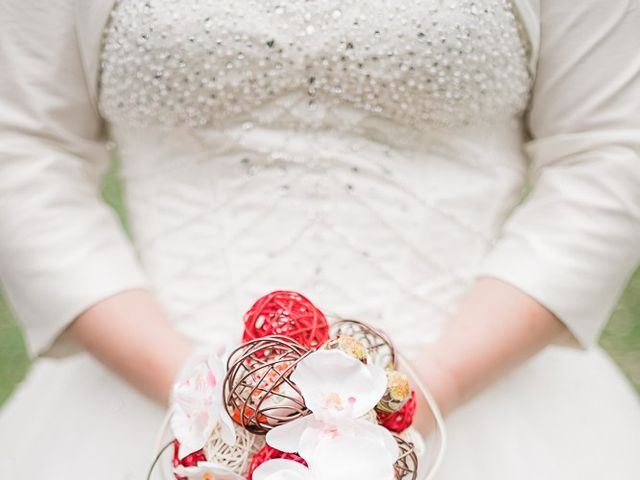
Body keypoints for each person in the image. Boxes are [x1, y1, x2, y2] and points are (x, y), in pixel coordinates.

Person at [1, 0, 639, 478]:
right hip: (154, 382)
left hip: (481, 376)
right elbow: (23, 147)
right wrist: (221, 416)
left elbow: (611, 149)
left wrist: (409, 402)